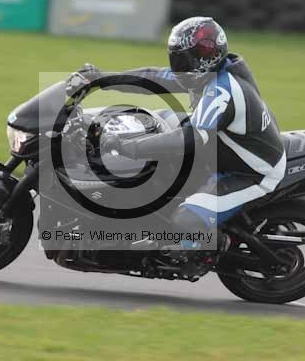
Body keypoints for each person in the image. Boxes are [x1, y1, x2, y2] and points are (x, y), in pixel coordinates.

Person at [66, 17, 286, 272]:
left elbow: (189, 138)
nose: (178, 67)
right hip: (221, 148)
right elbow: (152, 78)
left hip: (250, 172)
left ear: (205, 57)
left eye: (184, 61)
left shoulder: (222, 91)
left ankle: (205, 251)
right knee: (154, 125)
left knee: (186, 220)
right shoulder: (207, 74)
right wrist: (102, 79)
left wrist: (128, 147)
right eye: (176, 59)